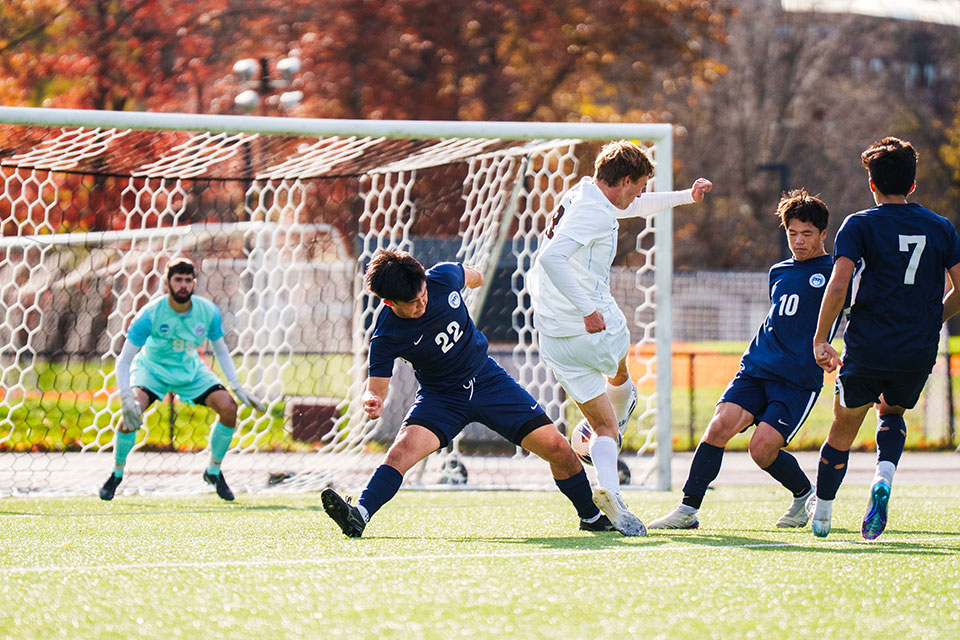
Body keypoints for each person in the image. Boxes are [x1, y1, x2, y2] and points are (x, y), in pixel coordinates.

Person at [321, 250, 617, 537]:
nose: (422, 305)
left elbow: (474, 276)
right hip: (442, 398)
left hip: (488, 381)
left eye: (423, 296)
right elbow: (376, 389)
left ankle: (590, 517)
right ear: (388, 302)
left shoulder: (443, 276)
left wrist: (474, 276)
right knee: (401, 452)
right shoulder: (386, 336)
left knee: (557, 447)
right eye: (413, 304)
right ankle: (359, 514)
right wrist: (372, 401)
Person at [527, 140, 712, 536]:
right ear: (625, 179)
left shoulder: (583, 191)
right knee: (619, 396)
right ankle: (611, 451)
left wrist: (685, 197)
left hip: (555, 335)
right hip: (593, 323)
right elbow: (551, 258)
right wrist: (586, 308)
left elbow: (633, 205)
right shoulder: (595, 211)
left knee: (602, 424)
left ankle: (607, 486)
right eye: (640, 185)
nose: (642, 194)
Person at [649, 190, 838, 530]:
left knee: (761, 449)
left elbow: (854, 315)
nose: (798, 240)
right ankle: (687, 510)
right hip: (757, 368)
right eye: (792, 233)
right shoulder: (778, 271)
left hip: (797, 380)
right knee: (719, 426)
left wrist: (831, 347)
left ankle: (803, 494)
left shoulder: (837, 273)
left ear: (823, 234)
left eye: (807, 234)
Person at [811, 137, 960, 539]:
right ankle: (883, 479)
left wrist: (822, 338)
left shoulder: (860, 224)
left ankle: (822, 516)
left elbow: (840, 284)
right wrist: (931, 320)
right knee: (891, 413)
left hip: (868, 346)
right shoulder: (941, 227)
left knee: (843, 428)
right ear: (912, 185)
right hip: (916, 350)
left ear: (871, 184)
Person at [98, 258, 265, 502]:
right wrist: (125, 396)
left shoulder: (207, 311)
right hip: (152, 371)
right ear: (168, 284)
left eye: (188, 280)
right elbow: (124, 360)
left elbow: (220, 350)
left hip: (191, 372)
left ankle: (214, 471)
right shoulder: (150, 315)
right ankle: (116, 473)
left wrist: (236, 386)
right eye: (178, 280)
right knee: (131, 413)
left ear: (194, 282)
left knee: (229, 407)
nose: (183, 285)